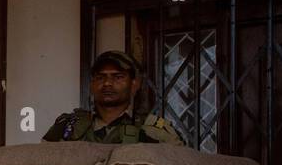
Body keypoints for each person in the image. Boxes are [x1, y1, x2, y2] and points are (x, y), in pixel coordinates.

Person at [43, 50, 186, 146]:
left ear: (134, 84)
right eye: (100, 77)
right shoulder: (67, 127)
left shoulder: (154, 130)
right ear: (92, 85)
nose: (107, 83)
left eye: (118, 77)